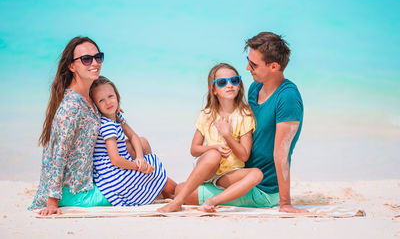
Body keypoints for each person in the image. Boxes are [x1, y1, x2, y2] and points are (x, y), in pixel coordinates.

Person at [198, 32, 307, 213]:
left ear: (274, 66)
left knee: (179, 191)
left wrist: (285, 203)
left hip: (262, 187)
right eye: (249, 61)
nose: (248, 68)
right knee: (182, 186)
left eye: (254, 65)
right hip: (237, 174)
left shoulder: (287, 97)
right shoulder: (255, 88)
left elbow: (282, 153)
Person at [159, 63, 263, 213]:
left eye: (234, 80)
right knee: (213, 155)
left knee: (256, 174)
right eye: (222, 82)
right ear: (214, 90)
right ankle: (178, 202)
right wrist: (213, 147)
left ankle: (212, 201)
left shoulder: (245, 115)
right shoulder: (207, 115)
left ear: (239, 85)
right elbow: (194, 150)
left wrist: (227, 135)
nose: (229, 85)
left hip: (229, 175)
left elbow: (244, 155)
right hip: (208, 171)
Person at [29, 37, 111, 214]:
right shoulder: (71, 107)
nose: (95, 63)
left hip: (88, 182)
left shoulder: (89, 99)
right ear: (72, 66)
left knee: (146, 158)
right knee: (154, 185)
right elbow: (59, 154)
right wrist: (52, 202)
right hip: (72, 193)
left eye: (98, 57)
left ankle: (178, 194)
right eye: (87, 59)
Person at [89, 76, 176, 206]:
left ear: (117, 97)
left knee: (152, 167)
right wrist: (138, 167)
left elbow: (133, 136)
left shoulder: (116, 116)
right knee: (166, 183)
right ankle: (178, 195)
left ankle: (162, 195)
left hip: (117, 168)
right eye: (101, 100)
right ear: (95, 106)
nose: (108, 103)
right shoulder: (107, 125)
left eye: (111, 96)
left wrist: (140, 158)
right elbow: (115, 160)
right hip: (113, 175)